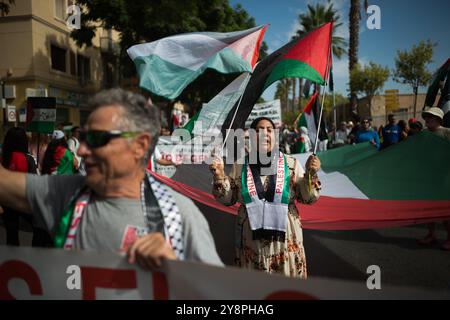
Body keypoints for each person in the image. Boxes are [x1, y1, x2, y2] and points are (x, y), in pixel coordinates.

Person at [0, 89, 222, 270]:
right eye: (84, 138)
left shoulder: (180, 215)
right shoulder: (66, 193)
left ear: (140, 146)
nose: (82, 150)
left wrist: (177, 272)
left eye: (97, 138)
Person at [209, 117, 321, 278]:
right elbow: (228, 199)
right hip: (251, 242)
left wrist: (311, 174)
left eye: (269, 129)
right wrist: (219, 176)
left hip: (286, 241)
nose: (264, 133)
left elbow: (308, 198)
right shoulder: (240, 165)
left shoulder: (291, 163)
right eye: (259, 130)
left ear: (275, 135)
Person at [1, 127, 52, 247]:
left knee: (11, 235)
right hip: (23, 200)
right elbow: (34, 180)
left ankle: (12, 261)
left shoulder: (3, 158)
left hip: (6, 201)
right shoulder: (28, 159)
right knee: (39, 228)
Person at [418, 107, 450, 250]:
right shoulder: (423, 134)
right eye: (426, 117)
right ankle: (431, 235)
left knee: (445, 209)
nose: (427, 119)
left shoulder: (447, 132)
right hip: (427, 177)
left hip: (444, 177)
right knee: (428, 209)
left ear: (438, 119)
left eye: (430, 116)